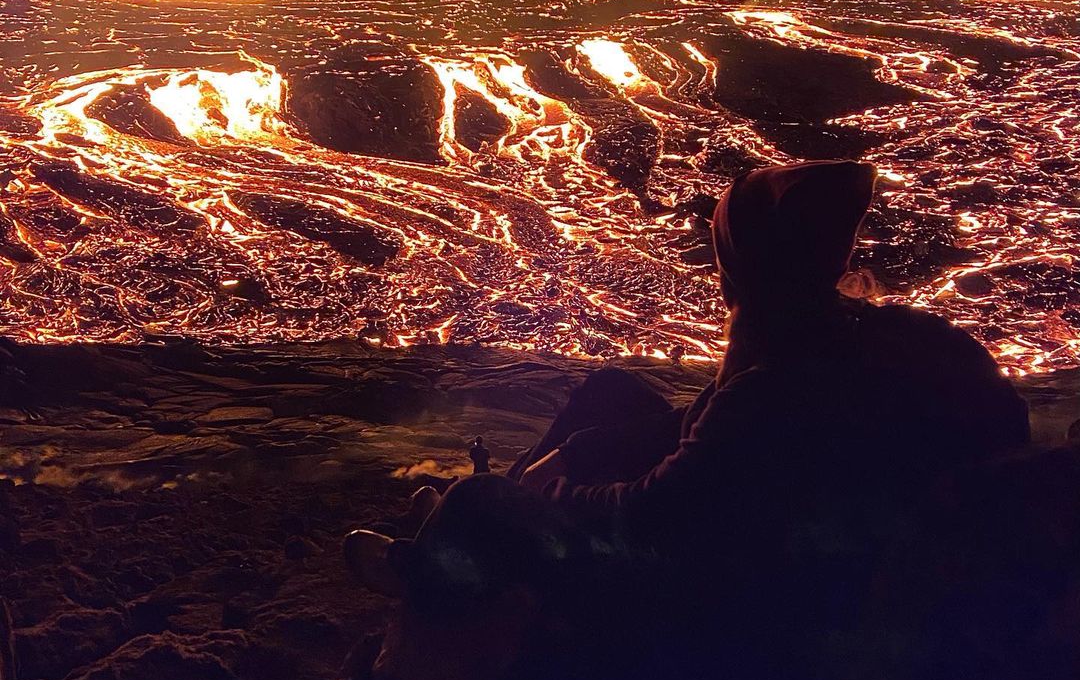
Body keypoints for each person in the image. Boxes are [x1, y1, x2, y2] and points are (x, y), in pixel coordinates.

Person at [348, 160, 1029, 627]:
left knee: (482, 499)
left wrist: (542, 501)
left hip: (757, 596)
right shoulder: (874, 335)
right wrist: (583, 452)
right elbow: (712, 430)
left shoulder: (774, 385)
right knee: (609, 396)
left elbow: (651, 517)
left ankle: (438, 566)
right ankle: (464, 525)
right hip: (847, 543)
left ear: (745, 270)